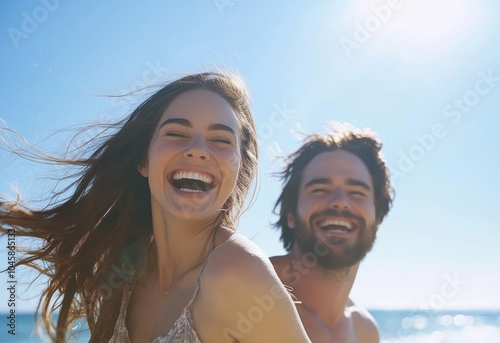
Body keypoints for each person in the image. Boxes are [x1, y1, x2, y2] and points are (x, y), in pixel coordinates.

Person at [0, 72, 311, 343]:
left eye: (220, 140)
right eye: (176, 134)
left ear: (238, 170)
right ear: (143, 161)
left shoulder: (236, 272)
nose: (198, 151)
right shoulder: (126, 270)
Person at [270, 124, 394, 342]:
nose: (340, 202)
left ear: (377, 220)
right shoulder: (251, 290)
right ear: (290, 214)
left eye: (357, 192)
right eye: (320, 190)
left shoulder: (365, 331)